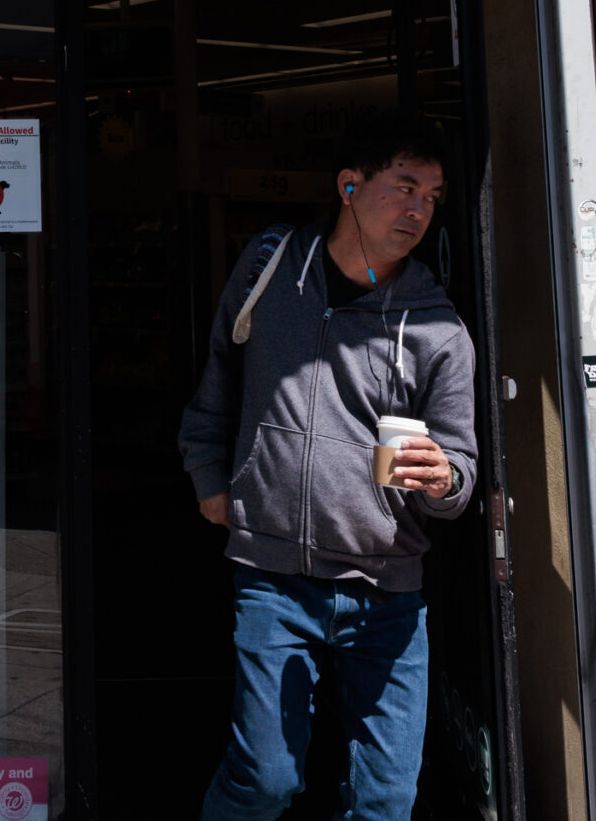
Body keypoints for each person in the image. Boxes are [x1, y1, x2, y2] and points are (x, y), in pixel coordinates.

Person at [177, 116, 478, 821]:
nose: (418, 211)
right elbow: (217, 379)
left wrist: (445, 480)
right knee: (266, 782)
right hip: (275, 583)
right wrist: (211, 484)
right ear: (350, 186)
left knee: (384, 801)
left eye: (432, 198)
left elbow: (460, 470)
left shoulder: (438, 329)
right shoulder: (272, 267)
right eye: (404, 188)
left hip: (388, 594)